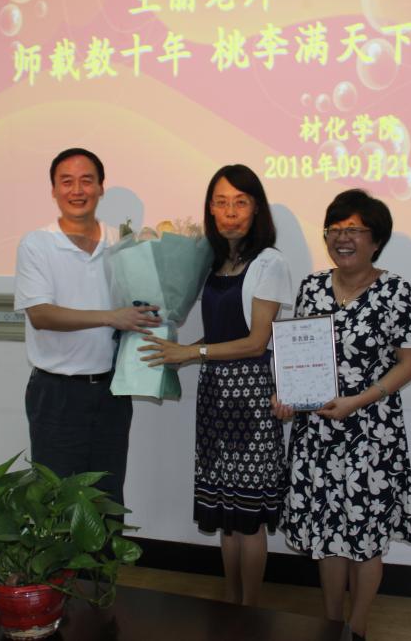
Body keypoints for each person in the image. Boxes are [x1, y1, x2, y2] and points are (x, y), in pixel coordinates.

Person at [273, 189, 411, 641]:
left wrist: (357, 401)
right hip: (317, 433)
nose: (342, 238)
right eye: (335, 230)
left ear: (376, 240)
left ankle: (357, 627)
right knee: (327, 536)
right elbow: (297, 355)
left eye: (354, 230)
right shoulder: (312, 287)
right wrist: (286, 394)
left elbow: (410, 364)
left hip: (371, 435)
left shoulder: (398, 292)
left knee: (365, 537)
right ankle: (331, 622)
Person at [140, 164, 293, 606]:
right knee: (227, 515)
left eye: (240, 203)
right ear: (210, 208)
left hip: (251, 397)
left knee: (250, 519)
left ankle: (250, 609)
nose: (230, 212)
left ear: (256, 208)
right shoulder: (214, 261)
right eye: (222, 202)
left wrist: (190, 354)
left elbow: (256, 341)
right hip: (214, 395)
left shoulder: (270, 262)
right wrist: (178, 348)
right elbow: (219, 334)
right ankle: (231, 604)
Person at [14, 147, 161, 507]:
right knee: (59, 502)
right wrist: (111, 317)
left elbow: (143, 302)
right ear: (53, 190)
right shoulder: (37, 244)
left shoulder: (121, 242)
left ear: (100, 187)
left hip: (112, 393)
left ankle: (106, 550)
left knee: (107, 499)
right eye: (67, 182)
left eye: (86, 181)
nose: (77, 190)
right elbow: (41, 315)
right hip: (57, 394)